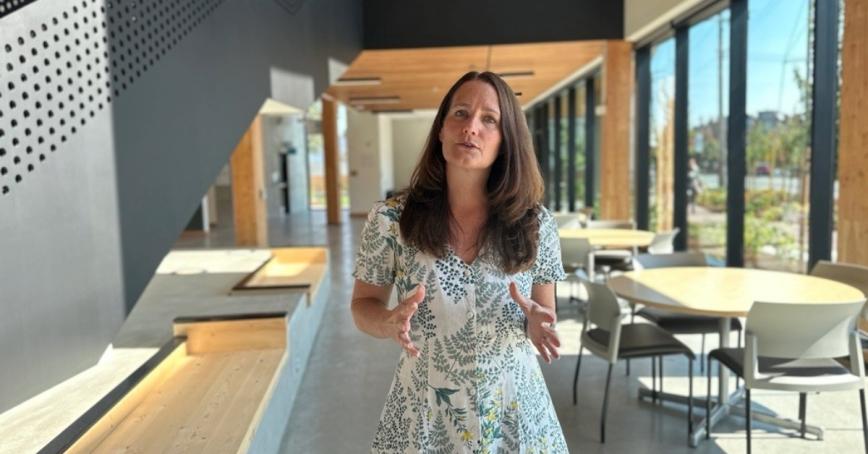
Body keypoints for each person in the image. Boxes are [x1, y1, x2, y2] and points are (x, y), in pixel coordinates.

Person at [350, 71, 568, 453]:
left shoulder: (536, 224)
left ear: (506, 141)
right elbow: (362, 306)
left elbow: (544, 312)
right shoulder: (391, 220)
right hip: (425, 410)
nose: (471, 127)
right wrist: (386, 322)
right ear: (440, 130)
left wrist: (537, 323)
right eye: (461, 113)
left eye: (489, 120)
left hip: (512, 408)